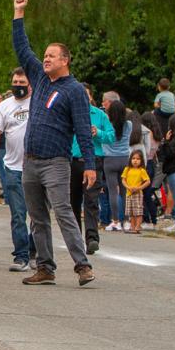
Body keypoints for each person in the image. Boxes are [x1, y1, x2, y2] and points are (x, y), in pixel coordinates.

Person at [11, 0, 95, 287]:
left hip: (56, 162)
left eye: (51, 55)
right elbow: (22, 48)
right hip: (30, 162)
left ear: (65, 60)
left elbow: (84, 130)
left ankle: (82, 265)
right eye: (44, 55)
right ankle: (45, 267)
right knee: (37, 217)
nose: (45, 58)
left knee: (63, 212)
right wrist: (18, 14)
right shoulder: (40, 78)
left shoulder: (73, 91)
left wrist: (89, 164)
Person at [0, 68, 36, 271]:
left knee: (37, 214)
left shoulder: (38, 103)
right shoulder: (5, 106)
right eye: (15, 82)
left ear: (30, 84)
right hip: (13, 166)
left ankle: (36, 252)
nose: (17, 85)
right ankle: (21, 256)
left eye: (21, 82)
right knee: (18, 213)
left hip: (36, 167)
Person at [68, 84, 115, 254]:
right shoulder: (68, 113)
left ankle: (92, 238)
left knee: (91, 201)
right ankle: (75, 239)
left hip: (94, 160)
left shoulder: (100, 115)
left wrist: (99, 133)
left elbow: (111, 136)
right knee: (73, 201)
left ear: (90, 97)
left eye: (85, 95)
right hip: (73, 161)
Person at [102, 98, 133, 231]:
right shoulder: (129, 124)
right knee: (125, 191)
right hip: (125, 158)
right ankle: (126, 220)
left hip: (109, 159)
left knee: (113, 191)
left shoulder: (107, 124)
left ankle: (115, 221)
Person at [121, 150, 150, 234]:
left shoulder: (142, 170)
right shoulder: (127, 169)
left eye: (138, 159)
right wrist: (128, 187)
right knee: (131, 212)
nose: (135, 160)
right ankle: (132, 226)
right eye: (133, 158)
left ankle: (138, 226)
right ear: (130, 159)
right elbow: (123, 180)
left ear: (141, 161)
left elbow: (148, 181)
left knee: (138, 211)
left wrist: (139, 188)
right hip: (129, 193)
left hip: (137, 193)